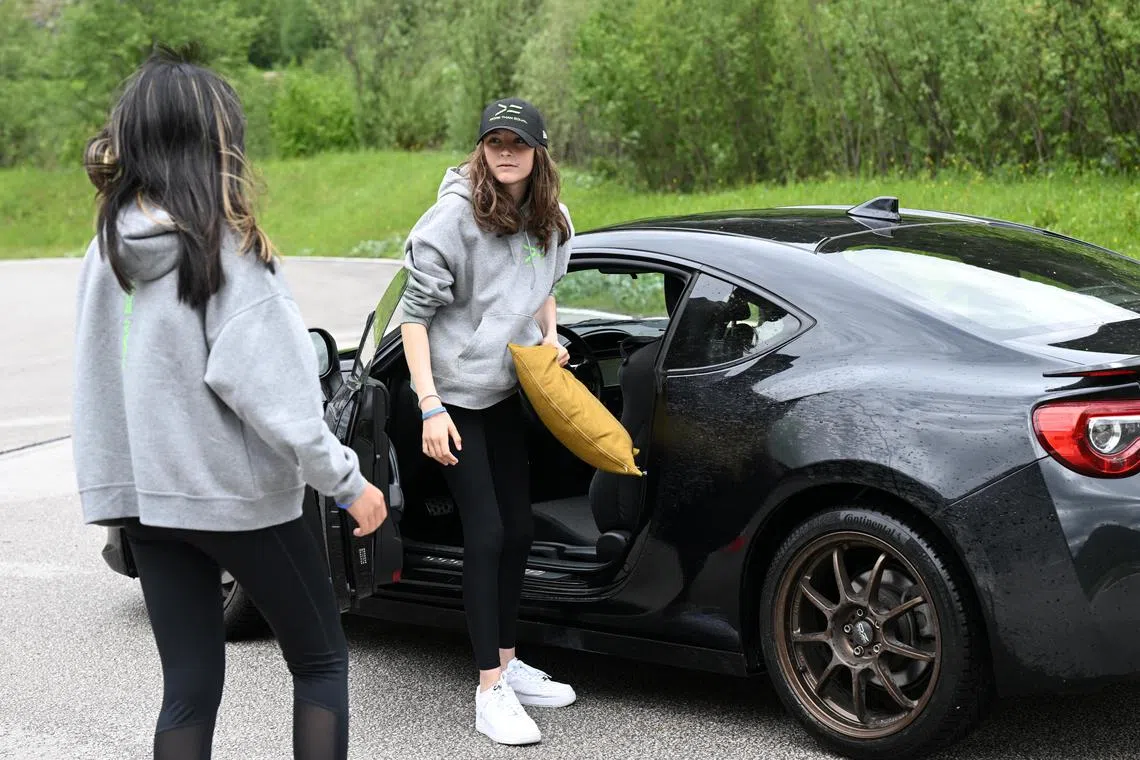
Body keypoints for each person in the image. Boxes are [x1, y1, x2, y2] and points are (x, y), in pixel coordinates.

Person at [72, 49, 387, 760]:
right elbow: (278, 396)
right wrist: (350, 484)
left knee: (188, 686)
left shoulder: (107, 248)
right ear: (216, 142)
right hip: (235, 500)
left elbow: (98, 382)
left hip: (148, 503)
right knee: (320, 663)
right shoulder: (228, 249)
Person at [397, 97, 577, 745]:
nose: (506, 152)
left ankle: (508, 659)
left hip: (502, 395)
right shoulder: (451, 221)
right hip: (451, 402)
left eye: (519, 143)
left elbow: (542, 288)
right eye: (494, 141)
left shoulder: (551, 219)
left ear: (538, 152)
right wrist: (429, 406)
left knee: (521, 531)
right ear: (480, 148)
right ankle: (489, 690)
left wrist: (550, 334)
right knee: (489, 534)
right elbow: (412, 318)